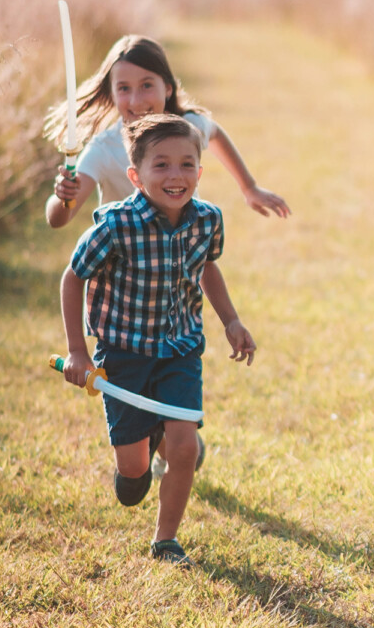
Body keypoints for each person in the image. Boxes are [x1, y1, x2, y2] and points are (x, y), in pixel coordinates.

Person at [60, 114, 255, 566]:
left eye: (187, 165)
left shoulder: (207, 220)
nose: (175, 176)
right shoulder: (116, 225)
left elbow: (207, 267)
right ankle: (141, 450)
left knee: (184, 446)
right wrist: (77, 350)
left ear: (200, 172)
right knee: (133, 474)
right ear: (136, 175)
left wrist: (231, 321)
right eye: (161, 165)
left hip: (180, 349)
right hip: (125, 355)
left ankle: (165, 540)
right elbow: (73, 279)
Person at [44, 34, 290, 229]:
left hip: (178, 262)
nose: (136, 99)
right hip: (125, 277)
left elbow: (214, 133)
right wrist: (64, 197)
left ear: (168, 88)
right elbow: (58, 220)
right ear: (112, 94)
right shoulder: (103, 149)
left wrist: (249, 187)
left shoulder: (187, 127)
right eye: (124, 88)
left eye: (147, 85)